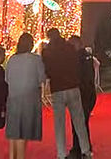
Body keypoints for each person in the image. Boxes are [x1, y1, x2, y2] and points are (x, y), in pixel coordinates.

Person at [42, 29, 92, 159]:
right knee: (79, 121)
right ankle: (85, 150)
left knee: (59, 123)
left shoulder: (47, 52)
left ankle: (61, 153)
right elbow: (76, 65)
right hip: (73, 87)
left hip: (57, 89)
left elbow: (47, 71)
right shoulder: (70, 48)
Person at [6, 33, 46, 159]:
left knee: (14, 131)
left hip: (13, 97)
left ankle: (13, 156)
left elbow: (6, 79)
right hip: (29, 98)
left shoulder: (12, 59)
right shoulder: (36, 59)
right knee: (23, 131)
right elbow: (42, 78)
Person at [67, 35, 97, 159]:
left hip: (81, 94)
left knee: (78, 123)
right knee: (81, 122)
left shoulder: (78, 58)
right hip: (88, 93)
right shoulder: (87, 57)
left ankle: (80, 150)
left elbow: (78, 77)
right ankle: (84, 148)